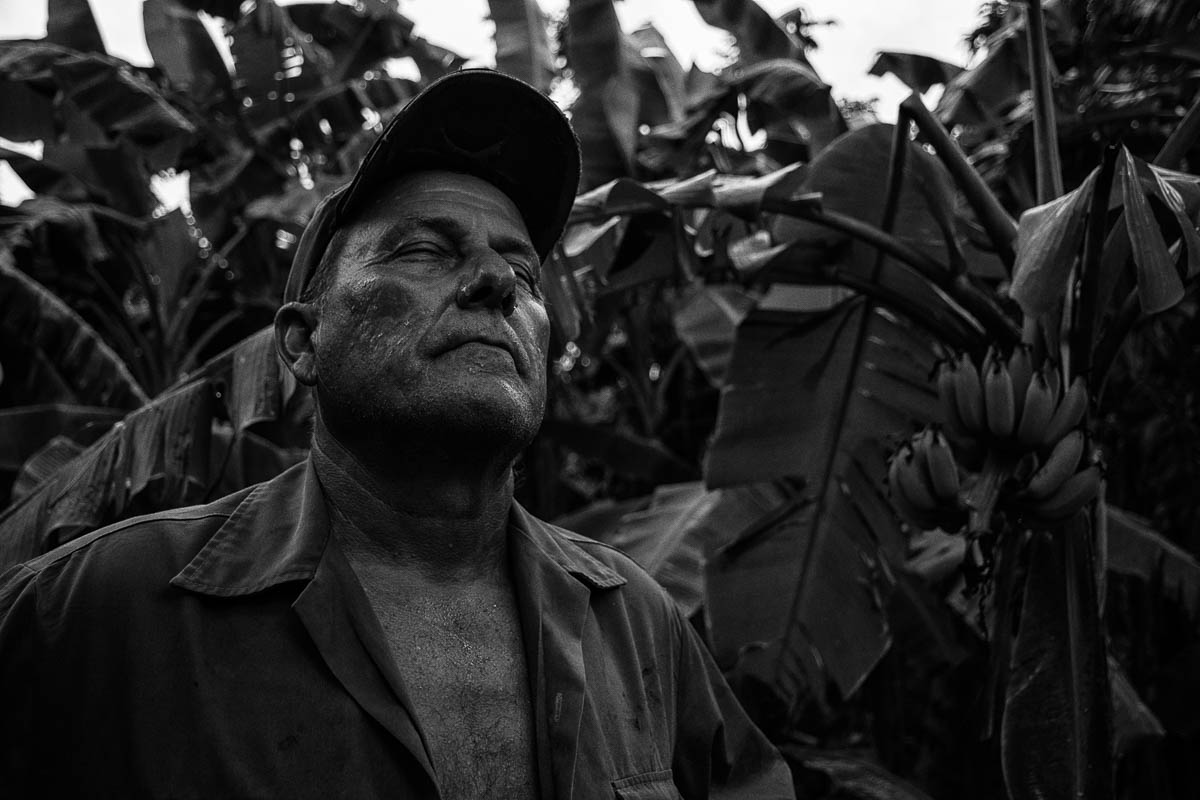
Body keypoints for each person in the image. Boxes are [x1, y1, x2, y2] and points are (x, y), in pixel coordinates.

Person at [0, 70, 794, 798]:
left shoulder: (636, 622)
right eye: (423, 250)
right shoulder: (101, 612)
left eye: (524, 273)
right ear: (303, 345)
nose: (494, 283)